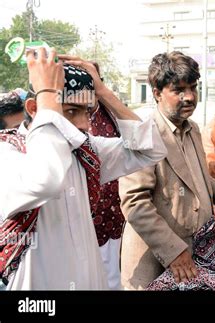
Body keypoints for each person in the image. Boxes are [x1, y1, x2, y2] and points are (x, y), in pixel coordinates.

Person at [0, 49, 168, 290]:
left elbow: (151, 150)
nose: (84, 124)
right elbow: (45, 180)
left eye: (87, 112)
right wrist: (48, 94)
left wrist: (102, 91)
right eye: (70, 111)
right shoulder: (8, 153)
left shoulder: (86, 151)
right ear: (34, 108)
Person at [119, 51, 215, 290]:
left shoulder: (193, 129)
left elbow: (197, 176)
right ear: (157, 94)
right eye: (179, 90)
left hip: (194, 254)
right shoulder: (142, 135)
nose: (190, 97)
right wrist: (173, 250)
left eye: (193, 88)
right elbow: (134, 204)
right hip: (155, 261)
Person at [82, 62, 126, 290]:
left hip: (115, 214)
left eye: (92, 80)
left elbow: (145, 144)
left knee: (113, 279)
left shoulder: (111, 114)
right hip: (83, 220)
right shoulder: (66, 117)